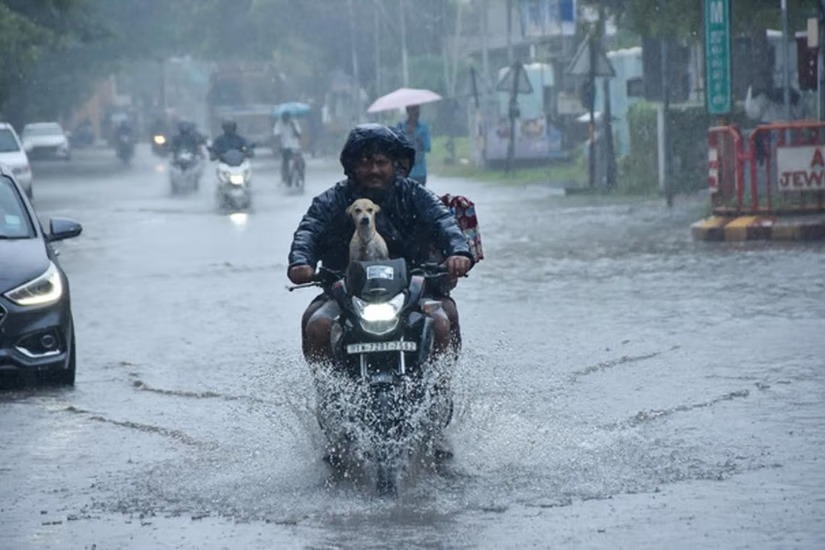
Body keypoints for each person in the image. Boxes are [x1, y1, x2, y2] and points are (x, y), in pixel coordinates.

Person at [287, 123, 473, 366]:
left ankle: (437, 392)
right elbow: (309, 230)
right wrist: (301, 262)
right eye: (366, 162)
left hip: (413, 290)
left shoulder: (414, 194)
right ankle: (330, 394)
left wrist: (458, 252)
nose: (373, 169)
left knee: (442, 320)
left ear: (394, 165)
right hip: (346, 291)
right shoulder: (333, 199)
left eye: (381, 162)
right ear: (352, 166)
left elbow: (444, 221)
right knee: (317, 324)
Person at [395, 104, 431, 186]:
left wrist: (416, 136)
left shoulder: (423, 127)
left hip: (420, 172)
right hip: (404, 172)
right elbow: (396, 147)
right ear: (408, 111)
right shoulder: (400, 127)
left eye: (417, 110)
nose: (416, 113)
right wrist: (406, 134)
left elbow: (427, 147)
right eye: (413, 110)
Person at [273, 111, 302, 184]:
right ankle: (284, 177)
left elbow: (299, 135)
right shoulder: (279, 123)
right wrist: (278, 145)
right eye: (284, 118)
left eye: (287, 118)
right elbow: (276, 134)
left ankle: (300, 175)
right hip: (284, 147)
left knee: (299, 161)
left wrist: (293, 127)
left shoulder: (294, 123)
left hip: (295, 146)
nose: (286, 120)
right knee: (285, 162)